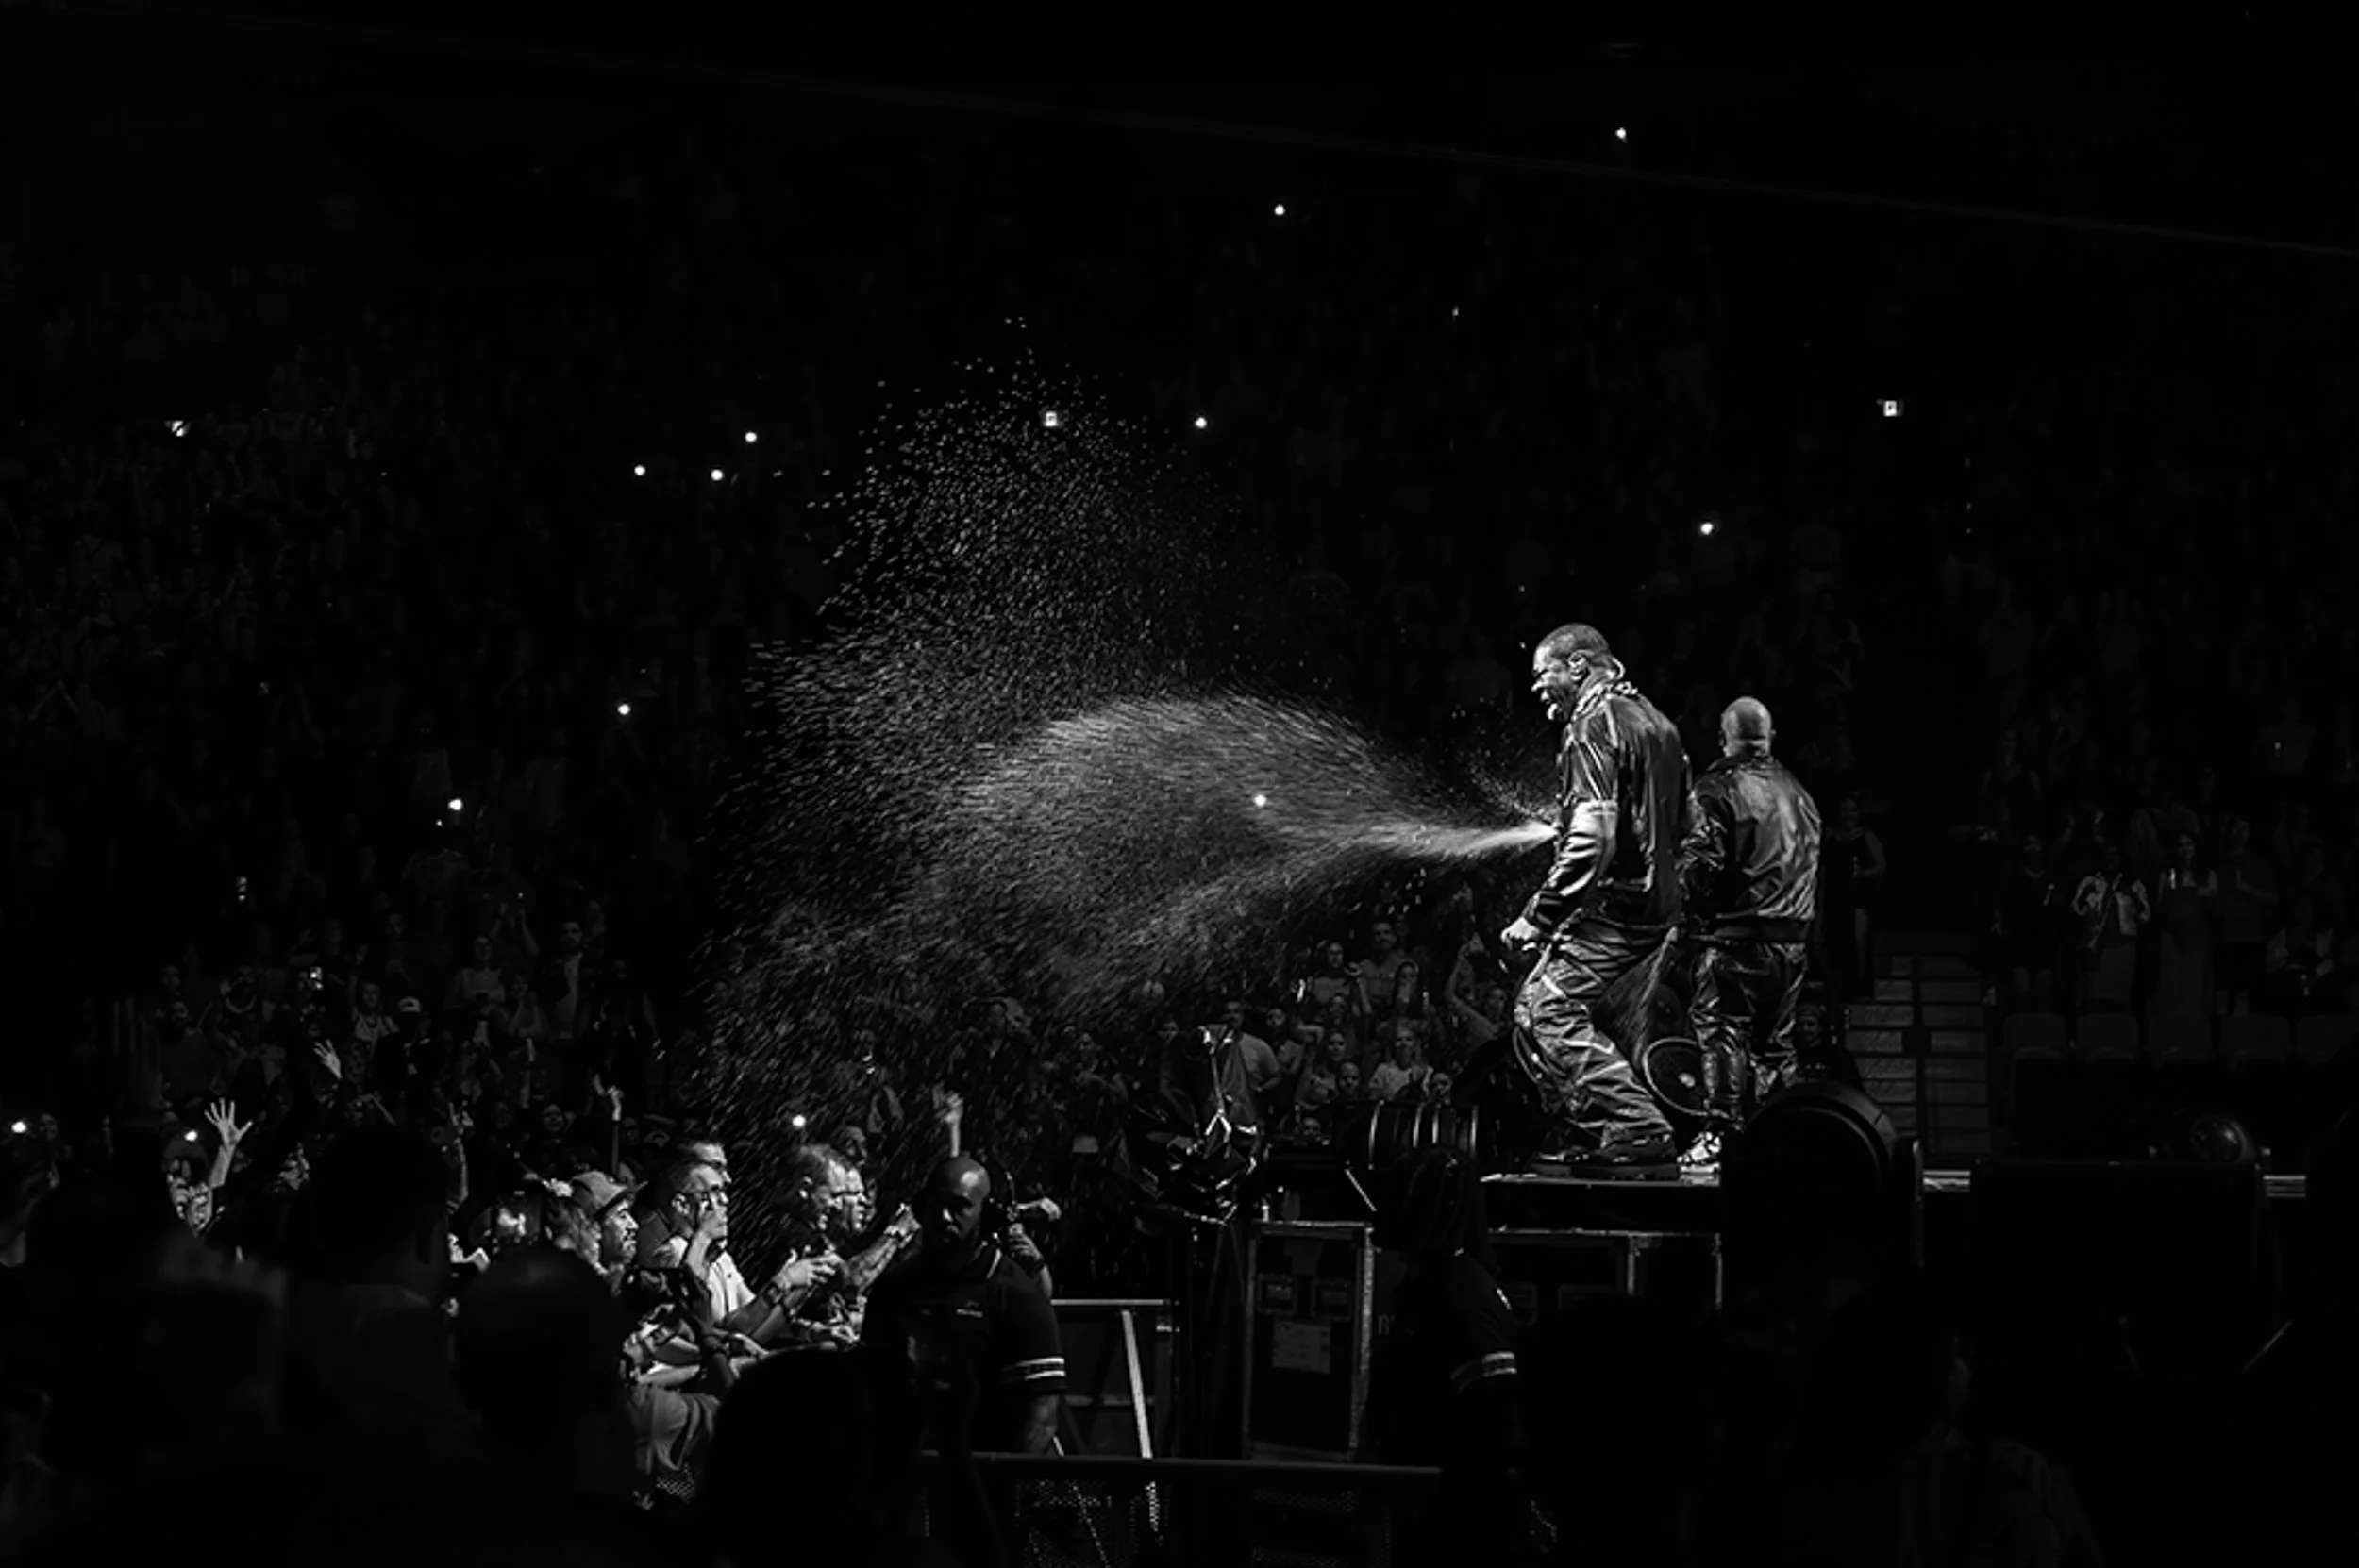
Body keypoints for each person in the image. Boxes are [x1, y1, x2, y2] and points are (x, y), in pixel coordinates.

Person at [1487, 624, 1687, 1176]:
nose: (1536, 688)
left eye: (1541, 674)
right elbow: (1680, 826)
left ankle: (1638, 1128)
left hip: (1623, 908)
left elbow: (1593, 841)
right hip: (1657, 905)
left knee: (1544, 1009)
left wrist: (1538, 916)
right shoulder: (1659, 724)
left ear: (1577, 666)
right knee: (1566, 1014)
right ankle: (1606, 1129)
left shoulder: (1592, 723)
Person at [1676, 697, 1822, 1168]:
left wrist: (1675, 903)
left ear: (1723, 736)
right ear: (1769, 737)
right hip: (1793, 944)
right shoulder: (1800, 793)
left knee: (1722, 1032)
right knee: (1775, 1046)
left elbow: (1701, 867)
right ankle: (1784, 1138)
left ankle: (1720, 1135)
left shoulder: (1716, 789)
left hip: (1737, 939)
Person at [860, 1158, 1065, 1457]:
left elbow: (1041, 1415)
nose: (943, 1217)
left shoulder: (1015, 1294)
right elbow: (869, 1388)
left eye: (958, 1207)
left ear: (984, 1216)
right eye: (935, 1205)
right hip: (905, 1473)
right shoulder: (893, 1289)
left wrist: (997, 1485)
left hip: (984, 1473)